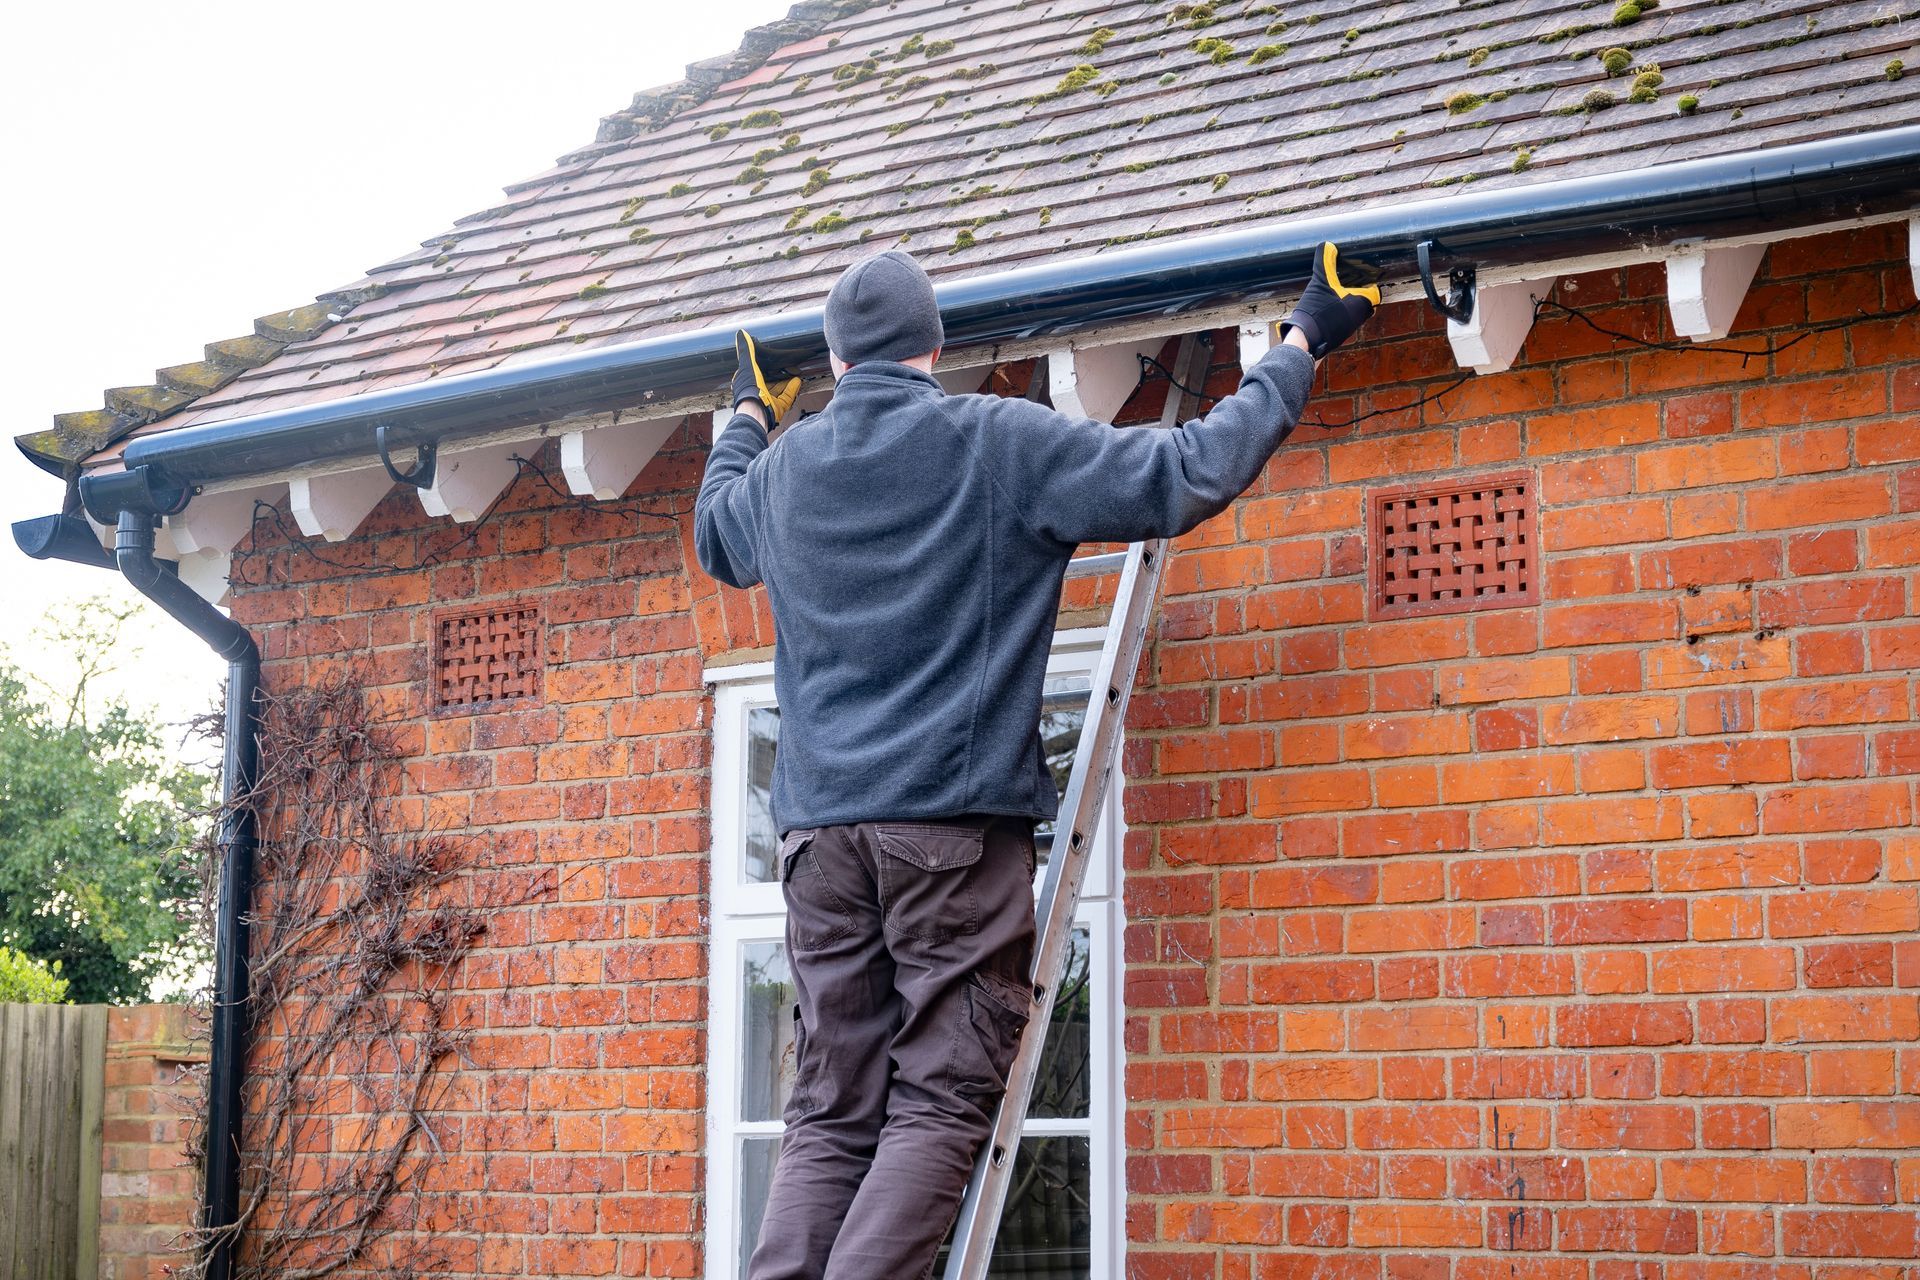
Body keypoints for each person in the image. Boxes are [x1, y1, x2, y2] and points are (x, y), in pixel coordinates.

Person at [695, 243, 1377, 1280]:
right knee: (936, 1100)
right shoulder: (995, 441)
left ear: (834, 365)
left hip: (817, 847)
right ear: (937, 345)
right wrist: (1301, 341)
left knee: (829, 1111)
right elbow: (1187, 468)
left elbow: (716, 529)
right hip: (949, 837)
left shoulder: (786, 472)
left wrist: (748, 410)